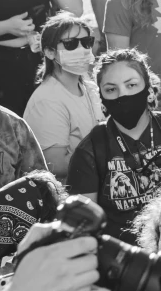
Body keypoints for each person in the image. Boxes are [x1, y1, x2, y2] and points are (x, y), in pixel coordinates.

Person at [64, 48, 161, 241]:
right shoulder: (92, 149)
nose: (123, 95)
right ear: (102, 98)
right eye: (111, 89)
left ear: (148, 88)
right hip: (126, 259)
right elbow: (83, 227)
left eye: (131, 85)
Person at [24, 10, 104, 174]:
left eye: (86, 42)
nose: (81, 49)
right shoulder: (47, 101)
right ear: (50, 52)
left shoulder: (91, 88)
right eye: (71, 44)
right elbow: (57, 165)